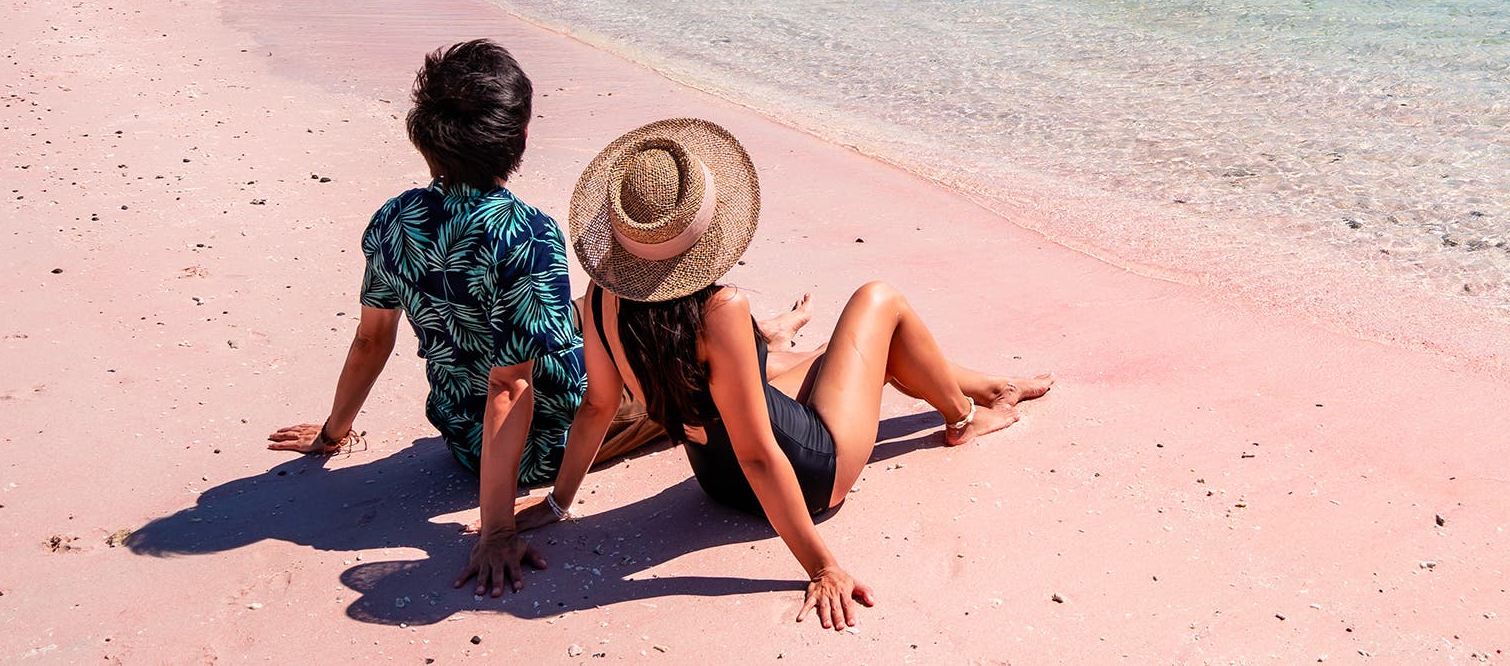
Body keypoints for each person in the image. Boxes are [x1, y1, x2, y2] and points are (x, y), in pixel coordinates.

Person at [515, 118, 1052, 630]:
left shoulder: (604, 297)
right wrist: (822, 567)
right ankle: (963, 417)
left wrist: (558, 504)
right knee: (878, 301)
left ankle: (990, 388)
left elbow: (597, 407)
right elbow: (757, 452)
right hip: (809, 476)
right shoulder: (719, 308)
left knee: (830, 355)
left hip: (715, 480)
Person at [266, 40, 657, 594]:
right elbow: (509, 386)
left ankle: (764, 334)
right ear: (520, 138)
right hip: (542, 443)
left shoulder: (395, 220)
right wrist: (496, 530)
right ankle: (771, 348)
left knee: (575, 312)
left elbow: (371, 340)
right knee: (689, 359)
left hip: (461, 433)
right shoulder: (529, 233)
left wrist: (334, 434)